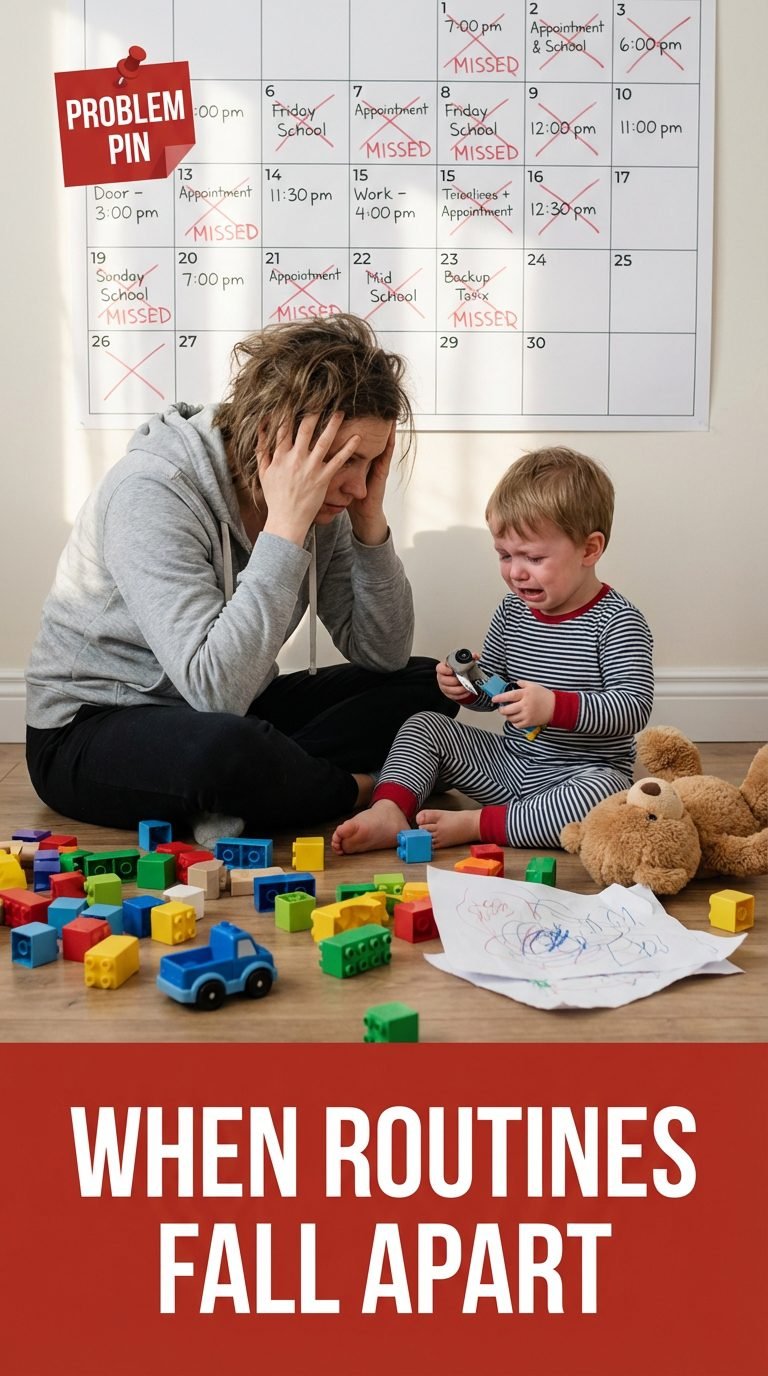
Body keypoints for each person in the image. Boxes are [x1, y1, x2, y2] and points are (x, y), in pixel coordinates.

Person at [25, 314, 457, 845]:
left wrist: (371, 523)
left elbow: (382, 654)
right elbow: (215, 692)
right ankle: (360, 788)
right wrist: (286, 526)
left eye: (369, 462)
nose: (355, 484)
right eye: (343, 460)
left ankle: (262, 783)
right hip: (92, 726)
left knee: (424, 685)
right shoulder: (153, 490)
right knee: (225, 749)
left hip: (233, 704)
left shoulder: (337, 502)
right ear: (275, 432)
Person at [332, 446, 654, 854]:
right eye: (505, 555)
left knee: (607, 794)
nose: (516, 571)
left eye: (534, 557)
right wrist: (468, 688)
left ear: (589, 550)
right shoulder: (512, 610)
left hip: (578, 775)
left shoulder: (618, 621)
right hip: (510, 762)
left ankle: (479, 824)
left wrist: (555, 706)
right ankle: (389, 808)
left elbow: (633, 706)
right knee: (424, 725)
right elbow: (495, 694)